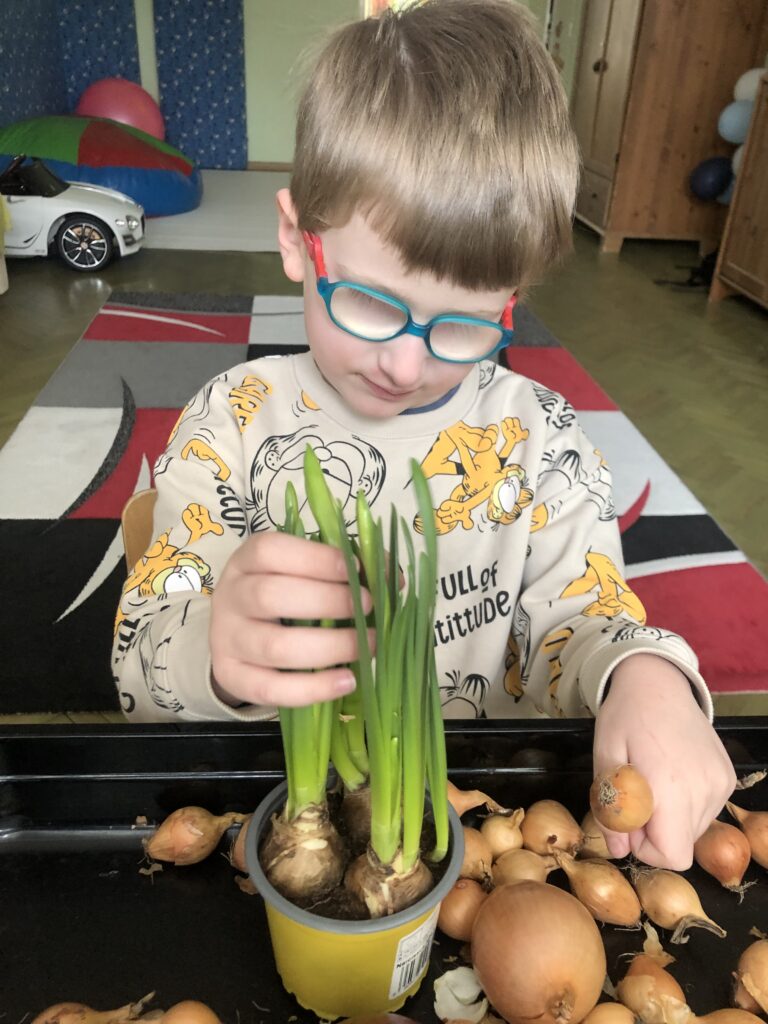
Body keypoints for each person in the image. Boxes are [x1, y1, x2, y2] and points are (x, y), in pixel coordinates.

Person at [112, 0, 735, 870]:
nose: (405, 367)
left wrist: (646, 675)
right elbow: (138, 672)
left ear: (510, 304)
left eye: (469, 324)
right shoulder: (233, 424)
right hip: (289, 822)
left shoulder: (540, 441)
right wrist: (212, 647)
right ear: (298, 239)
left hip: (480, 833)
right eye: (370, 302)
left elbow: (586, 620)